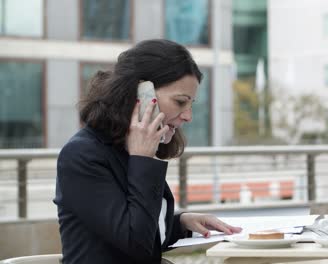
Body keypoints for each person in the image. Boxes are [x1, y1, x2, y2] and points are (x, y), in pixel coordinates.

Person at [54, 39, 242, 264]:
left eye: (191, 104)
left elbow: (129, 225)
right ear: (142, 94)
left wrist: (179, 223)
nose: (188, 116)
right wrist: (142, 159)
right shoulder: (82, 156)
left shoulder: (125, 152)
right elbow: (136, 245)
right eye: (180, 102)